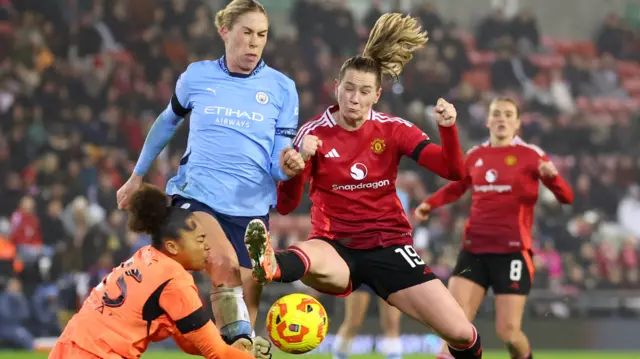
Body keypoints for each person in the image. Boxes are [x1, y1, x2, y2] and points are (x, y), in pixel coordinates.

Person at [246, 13, 483, 359]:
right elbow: (285, 205)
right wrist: (297, 166)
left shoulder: (393, 129)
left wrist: (448, 129)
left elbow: (453, 170)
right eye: (349, 88)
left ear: (377, 95)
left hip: (389, 247)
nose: (355, 98)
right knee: (308, 253)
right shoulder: (313, 135)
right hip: (336, 247)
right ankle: (272, 264)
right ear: (336, 87)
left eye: (364, 91)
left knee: (461, 333)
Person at [115, 0, 304, 344]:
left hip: (251, 209)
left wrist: (287, 166)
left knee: (244, 309)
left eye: (262, 35)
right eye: (246, 32)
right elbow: (166, 123)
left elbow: (277, 163)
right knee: (223, 263)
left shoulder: (282, 88)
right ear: (225, 31)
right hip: (197, 196)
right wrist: (137, 176)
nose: (254, 42)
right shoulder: (197, 76)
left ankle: (236, 346)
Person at [414, 98, 574, 359]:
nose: (501, 119)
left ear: (518, 123)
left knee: (509, 334)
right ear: (487, 121)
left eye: (508, 114)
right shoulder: (476, 155)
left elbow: (567, 198)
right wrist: (429, 204)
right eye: (496, 114)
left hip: (512, 254)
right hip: (473, 251)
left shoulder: (531, 155)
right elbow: (457, 186)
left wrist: (553, 178)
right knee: (454, 326)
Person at [49, 185, 272, 359]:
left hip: (66, 347)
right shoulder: (174, 278)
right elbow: (217, 354)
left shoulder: (144, 257)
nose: (207, 247)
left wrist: (231, 345)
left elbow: (190, 339)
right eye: (200, 240)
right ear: (172, 246)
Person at [332, 188, 410, 359]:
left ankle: (394, 356)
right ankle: (339, 356)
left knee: (392, 322)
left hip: (389, 263)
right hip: (361, 263)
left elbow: (403, 229)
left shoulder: (400, 196)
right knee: (353, 321)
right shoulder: (357, 192)